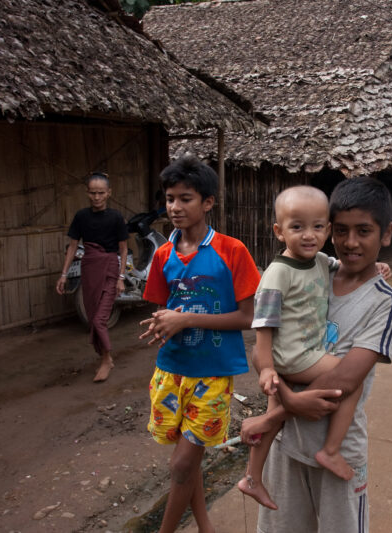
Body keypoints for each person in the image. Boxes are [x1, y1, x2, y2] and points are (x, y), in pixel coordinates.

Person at [243, 177, 392, 533]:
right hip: (286, 444)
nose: (351, 242)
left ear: (387, 233)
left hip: (339, 448)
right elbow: (261, 349)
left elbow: (346, 378)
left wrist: (277, 412)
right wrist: (277, 394)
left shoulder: (385, 303)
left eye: (364, 231)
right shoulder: (308, 274)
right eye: (342, 231)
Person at [138, 155, 260, 533]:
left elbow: (247, 317)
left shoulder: (232, 251)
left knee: (180, 465)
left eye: (185, 198)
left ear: (208, 202)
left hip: (213, 373)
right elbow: (165, 309)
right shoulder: (163, 255)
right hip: (171, 369)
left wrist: (186, 319)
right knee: (187, 462)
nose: (175, 207)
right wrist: (163, 323)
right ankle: (205, 525)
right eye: (170, 198)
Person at [237, 186, 362, 510]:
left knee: (272, 420)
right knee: (352, 378)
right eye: (297, 227)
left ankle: (252, 478)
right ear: (279, 231)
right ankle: (331, 450)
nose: (309, 235)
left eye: (317, 227)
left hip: (296, 354)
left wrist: (380, 268)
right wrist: (267, 368)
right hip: (295, 356)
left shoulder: (320, 261)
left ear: (327, 230)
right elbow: (263, 326)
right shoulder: (278, 274)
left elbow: (342, 267)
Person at [56, 172, 128, 382]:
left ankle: (106, 359)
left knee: (99, 320)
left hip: (109, 269)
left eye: (101, 193)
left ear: (109, 193)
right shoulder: (81, 217)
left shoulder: (116, 218)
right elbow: (72, 247)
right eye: (93, 193)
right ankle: (105, 357)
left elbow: (123, 249)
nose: (97, 197)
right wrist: (63, 275)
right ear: (87, 193)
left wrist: (121, 277)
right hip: (89, 269)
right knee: (92, 318)